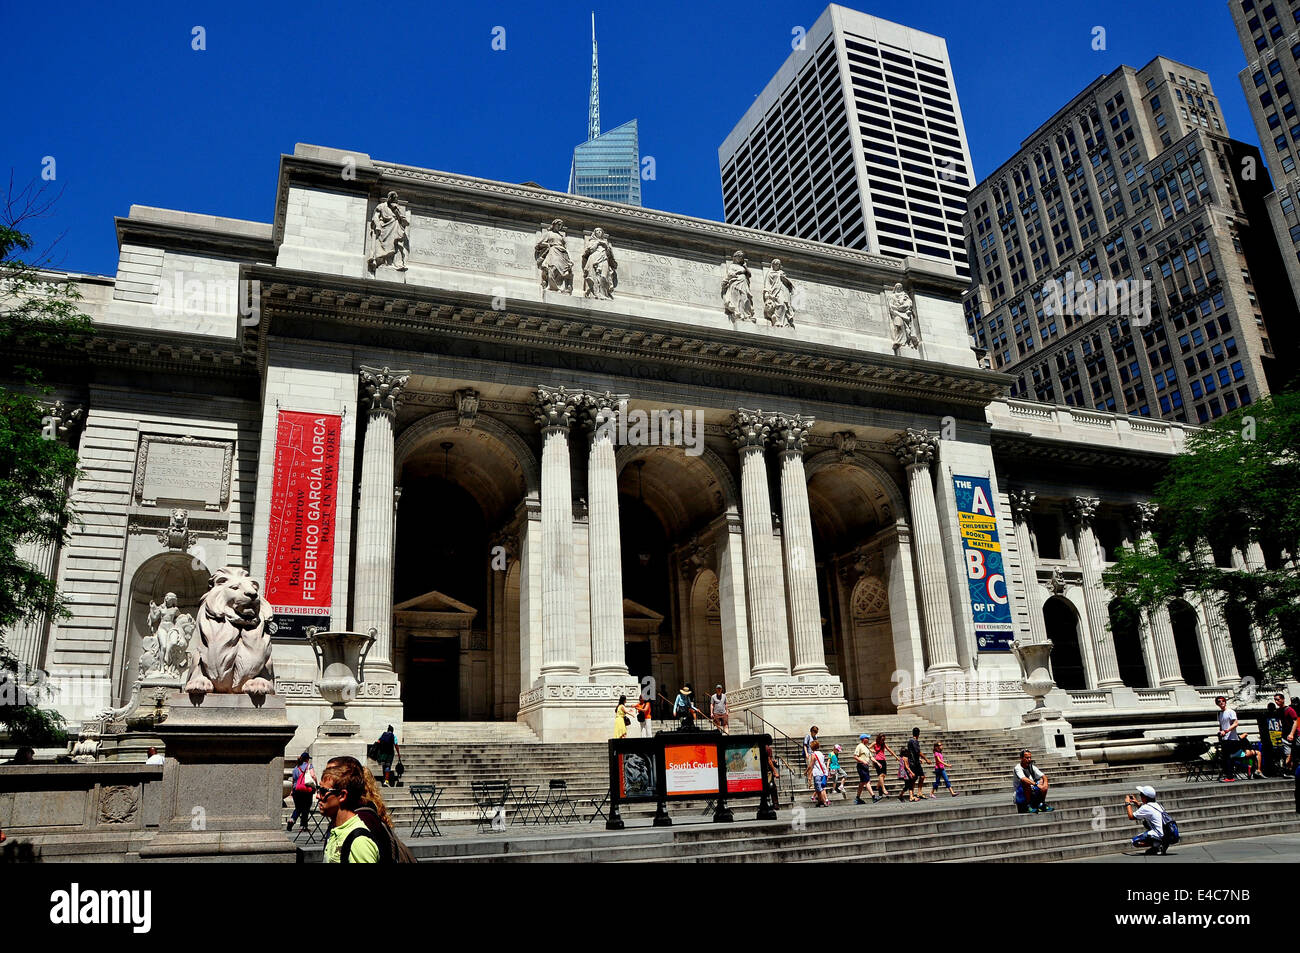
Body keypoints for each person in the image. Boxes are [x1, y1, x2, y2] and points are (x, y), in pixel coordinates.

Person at [318, 758, 380, 864]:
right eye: (318, 789)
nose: (318, 796)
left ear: (342, 795)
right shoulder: (337, 830)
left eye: (323, 791)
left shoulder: (359, 841)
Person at [1125, 785, 1176, 855]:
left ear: (1145, 797)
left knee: (1135, 842)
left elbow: (1131, 816)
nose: (1140, 796)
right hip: (1166, 834)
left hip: (1158, 834)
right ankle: (1160, 844)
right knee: (1146, 822)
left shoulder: (1146, 808)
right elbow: (1147, 810)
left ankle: (1157, 845)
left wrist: (1127, 803)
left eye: (1141, 795)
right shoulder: (1158, 805)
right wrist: (1136, 802)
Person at [287, 751, 316, 832]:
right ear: (307, 759)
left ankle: (292, 820)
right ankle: (303, 826)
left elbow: (293, 781)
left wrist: (292, 791)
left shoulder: (296, 768)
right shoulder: (309, 766)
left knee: (298, 808)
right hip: (306, 790)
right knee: (306, 808)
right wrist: (315, 785)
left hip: (296, 790)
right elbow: (313, 775)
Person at [1216, 695, 1240, 781]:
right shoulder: (1219, 713)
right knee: (1225, 758)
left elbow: (1235, 723)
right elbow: (1221, 725)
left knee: (1228, 757)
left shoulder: (1231, 712)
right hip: (1224, 739)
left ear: (1225, 702)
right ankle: (1229, 775)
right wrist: (1220, 732)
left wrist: (1226, 731)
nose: (1221, 702)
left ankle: (1230, 776)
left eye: (1222, 701)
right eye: (1219, 701)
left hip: (1232, 738)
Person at [905, 727, 932, 798]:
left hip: (916, 761)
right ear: (918, 734)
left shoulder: (913, 741)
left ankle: (919, 792)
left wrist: (919, 759)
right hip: (913, 762)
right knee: (914, 778)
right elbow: (918, 752)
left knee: (922, 776)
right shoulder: (913, 741)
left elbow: (913, 752)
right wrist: (926, 759)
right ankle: (913, 794)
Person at [872, 733, 899, 802]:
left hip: (883, 760)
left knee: (883, 775)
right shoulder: (875, 743)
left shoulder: (883, 744)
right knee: (881, 775)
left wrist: (896, 757)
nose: (882, 741)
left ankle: (878, 786)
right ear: (879, 738)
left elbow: (889, 750)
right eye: (881, 739)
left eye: (883, 739)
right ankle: (883, 789)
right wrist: (872, 751)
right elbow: (867, 748)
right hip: (877, 760)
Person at [853, 733, 874, 805]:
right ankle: (873, 797)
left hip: (865, 766)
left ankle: (857, 798)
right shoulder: (859, 746)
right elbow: (855, 756)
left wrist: (877, 763)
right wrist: (863, 761)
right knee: (867, 781)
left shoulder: (866, 747)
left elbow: (871, 757)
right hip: (861, 765)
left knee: (862, 783)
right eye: (867, 738)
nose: (868, 740)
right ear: (863, 739)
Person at [809, 740, 829, 807]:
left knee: (819, 788)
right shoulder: (820, 753)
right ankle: (819, 801)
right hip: (823, 772)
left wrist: (808, 774)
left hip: (817, 773)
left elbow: (811, 765)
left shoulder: (813, 754)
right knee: (819, 788)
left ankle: (824, 801)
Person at [802, 726, 820, 790]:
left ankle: (813, 783)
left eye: (816, 732)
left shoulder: (815, 737)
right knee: (810, 769)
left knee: (813, 769)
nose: (815, 733)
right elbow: (805, 745)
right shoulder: (808, 736)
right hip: (809, 754)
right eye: (814, 732)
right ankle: (810, 784)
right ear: (812, 731)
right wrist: (806, 753)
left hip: (814, 754)